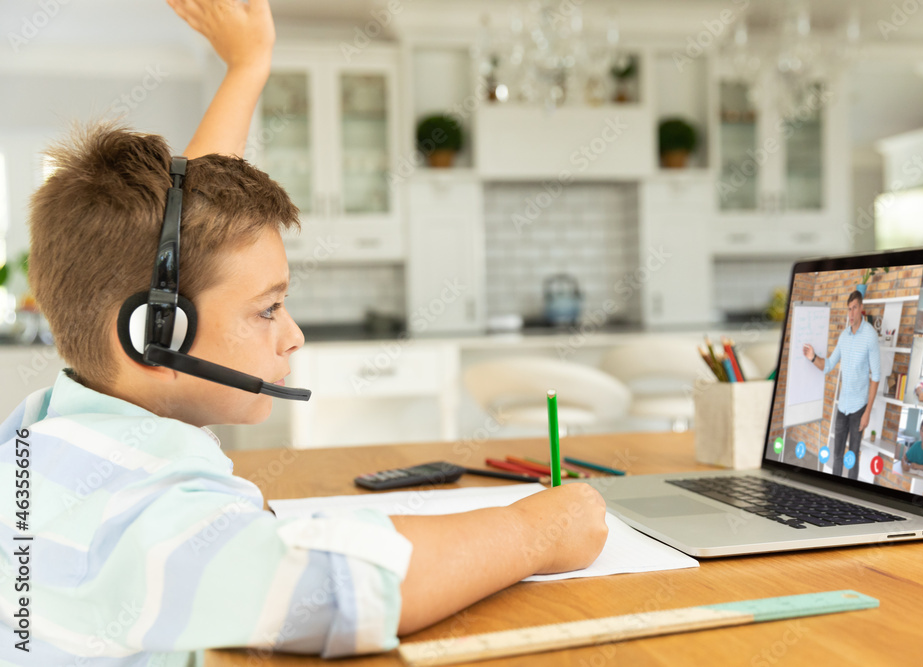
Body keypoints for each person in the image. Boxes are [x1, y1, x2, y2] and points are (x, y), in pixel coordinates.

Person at [0, 2, 608, 665]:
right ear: (157, 333)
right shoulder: (137, 523)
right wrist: (539, 528)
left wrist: (247, 66)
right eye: (269, 308)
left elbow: (191, 246)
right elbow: (343, 590)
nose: (292, 336)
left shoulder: (48, 435)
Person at [802, 290, 880, 480]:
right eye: (849, 309)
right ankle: (833, 492)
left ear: (861, 309)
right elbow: (828, 366)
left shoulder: (870, 336)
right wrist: (812, 357)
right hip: (842, 406)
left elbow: (876, 376)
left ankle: (851, 498)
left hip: (858, 409)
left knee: (852, 457)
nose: (851, 314)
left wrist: (867, 412)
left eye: (854, 308)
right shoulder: (844, 336)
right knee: (837, 455)